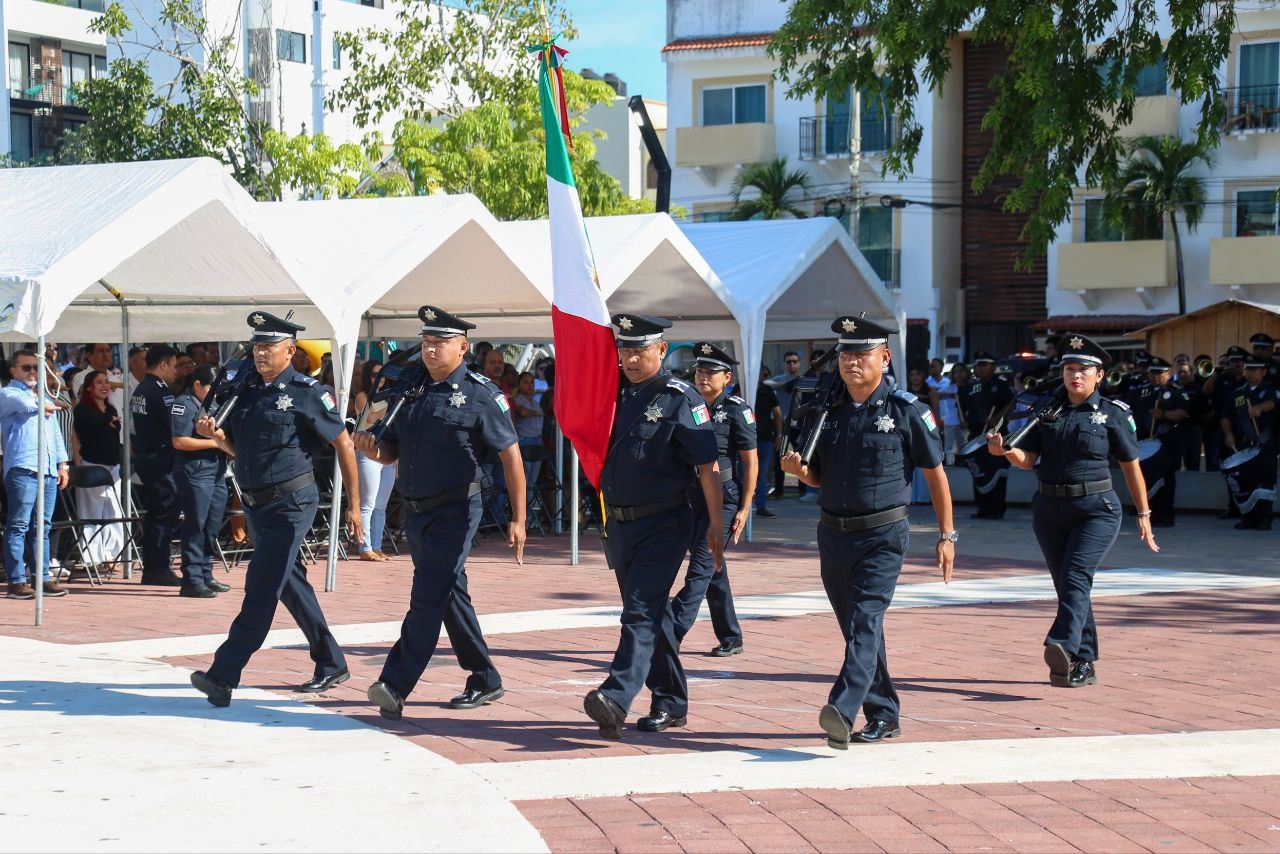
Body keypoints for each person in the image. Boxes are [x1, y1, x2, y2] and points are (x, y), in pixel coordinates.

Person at [780, 315, 954, 749]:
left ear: (884, 357)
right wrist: (801, 473)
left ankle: (842, 707)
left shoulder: (907, 410)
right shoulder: (827, 410)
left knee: (864, 621)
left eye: (861, 354)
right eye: (844, 354)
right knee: (858, 629)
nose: (851, 362)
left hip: (883, 536)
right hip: (833, 534)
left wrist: (947, 535)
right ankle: (885, 714)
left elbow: (935, 474)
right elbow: (819, 476)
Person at [357, 306, 526, 720]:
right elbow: (391, 448)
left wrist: (518, 517)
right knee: (449, 592)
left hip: (456, 509)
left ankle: (395, 684)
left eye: (441, 342)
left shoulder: (481, 393)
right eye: (427, 341)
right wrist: (371, 448)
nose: (431, 350)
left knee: (428, 596)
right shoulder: (411, 388)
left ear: (463, 347)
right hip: (417, 511)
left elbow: (511, 454)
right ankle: (484, 677)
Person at [189, 312, 363, 707]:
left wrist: (353, 506)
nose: (261, 353)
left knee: (261, 587)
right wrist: (217, 438)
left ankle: (223, 674)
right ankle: (331, 662)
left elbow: (345, 444)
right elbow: (240, 451)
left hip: (291, 503)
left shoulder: (307, 392)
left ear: (291, 351)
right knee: (288, 583)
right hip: (256, 503)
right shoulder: (245, 391)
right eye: (257, 346)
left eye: (269, 347)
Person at [987, 333, 1159, 688]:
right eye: (1069, 369)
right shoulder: (1046, 412)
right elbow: (1027, 460)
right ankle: (1084, 662)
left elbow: (1131, 466)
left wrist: (1143, 514)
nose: (1075, 375)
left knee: (1076, 579)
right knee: (1069, 587)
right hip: (1049, 509)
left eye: (1083, 369)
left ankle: (1061, 643)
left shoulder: (1112, 414)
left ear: (1100, 376)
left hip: (1096, 509)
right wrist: (1004, 450)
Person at [582, 314, 723, 740]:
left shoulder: (681, 398)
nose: (629, 358)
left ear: (661, 350)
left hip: (664, 522)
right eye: (624, 349)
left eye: (639, 349)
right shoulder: (611, 395)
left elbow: (707, 466)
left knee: (639, 611)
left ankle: (616, 695)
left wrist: (716, 523)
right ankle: (671, 701)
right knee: (654, 615)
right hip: (620, 524)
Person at [668, 342, 756, 660]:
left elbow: (751, 460)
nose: (702, 377)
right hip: (693, 498)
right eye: (699, 371)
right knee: (713, 570)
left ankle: (670, 632)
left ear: (727, 377)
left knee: (700, 568)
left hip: (724, 499)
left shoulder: (736, 409)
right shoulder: (687, 405)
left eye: (710, 372)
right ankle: (731, 636)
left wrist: (746, 507)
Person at [1, 350, 71, 599]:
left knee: (42, 526)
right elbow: (25, 404)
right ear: (13, 370)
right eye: (27, 367)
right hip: (24, 467)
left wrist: (64, 464)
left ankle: (41, 577)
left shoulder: (43, 396)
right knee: (19, 524)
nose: (32, 372)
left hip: (49, 468)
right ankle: (16, 580)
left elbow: (56, 434)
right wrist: (48, 402)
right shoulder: (9, 393)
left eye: (36, 368)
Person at [170, 365, 232, 598]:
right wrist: (215, 443)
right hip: (195, 472)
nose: (214, 393)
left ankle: (206, 572)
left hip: (215, 471)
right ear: (196, 384)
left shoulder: (213, 405)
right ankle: (192, 578)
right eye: (210, 388)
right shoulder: (184, 404)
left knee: (212, 525)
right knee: (196, 524)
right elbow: (179, 441)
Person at [130, 345, 183, 586]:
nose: (175, 371)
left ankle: (154, 565)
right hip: (159, 458)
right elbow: (175, 423)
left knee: (156, 513)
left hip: (147, 456)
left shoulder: (142, 388)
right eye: (173, 365)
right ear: (163, 365)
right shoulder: (160, 391)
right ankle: (158, 567)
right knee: (165, 511)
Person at [71, 370, 127, 571]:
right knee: (92, 514)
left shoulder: (110, 407)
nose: (104, 386)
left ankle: (112, 556)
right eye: (99, 383)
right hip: (92, 465)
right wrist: (106, 421)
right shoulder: (83, 409)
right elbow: (88, 426)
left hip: (113, 466)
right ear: (89, 387)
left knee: (113, 511)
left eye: (106, 382)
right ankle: (92, 558)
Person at [1221, 356, 1276, 531]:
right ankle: (1248, 518)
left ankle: (1264, 519)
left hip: (1265, 444)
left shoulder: (1270, 390)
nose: (1249, 373)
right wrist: (1228, 435)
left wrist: (1261, 408)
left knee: (1264, 481)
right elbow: (1225, 417)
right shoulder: (1238, 393)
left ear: (1263, 372)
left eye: (1253, 370)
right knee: (1246, 481)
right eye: (1247, 369)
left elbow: (1274, 402)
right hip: (1244, 444)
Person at [958, 350, 1013, 518]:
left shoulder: (1002, 386)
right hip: (976, 435)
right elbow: (963, 406)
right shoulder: (970, 387)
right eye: (978, 365)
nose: (980, 369)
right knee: (980, 472)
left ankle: (997, 509)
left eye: (984, 365)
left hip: (997, 435)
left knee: (996, 472)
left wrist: (998, 417)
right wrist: (965, 420)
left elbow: (1011, 405)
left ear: (993, 366)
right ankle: (983, 508)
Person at [352, 359, 394, 561]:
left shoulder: (389, 397)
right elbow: (371, 419)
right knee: (367, 504)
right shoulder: (362, 396)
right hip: (367, 450)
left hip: (386, 452)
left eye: (382, 374)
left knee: (380, 506)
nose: (379, 379)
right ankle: (364, 547)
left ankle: (376, 546)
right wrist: (394, 406)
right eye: (374, 374)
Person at [1147, 357, 1188, 527]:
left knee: (1166, 481)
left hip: (1167, 443)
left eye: (1160, 373)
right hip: (1145, 443)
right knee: (1147, 479)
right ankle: (1149, 514)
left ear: (1168, 373)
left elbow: (1184, 412)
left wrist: (1163, 415)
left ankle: (1165, 516)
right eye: (1153, 373)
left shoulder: (1176, 391)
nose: (1156, 376)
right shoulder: (1142, 390)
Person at [769, 350, 803, 497]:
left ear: (799, 363)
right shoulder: (778, 379)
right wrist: (784, 384)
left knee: (802, 457)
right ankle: (778, 490)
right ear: (784, 364)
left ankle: (803, 490)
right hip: (782, 423)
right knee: (779, 457)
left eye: (794, 361)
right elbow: (766, 384)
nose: (791, 364)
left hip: (800, 423)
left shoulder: (804, 379)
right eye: (789, 361)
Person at [753, 371, 782, 518]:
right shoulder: (740, 388)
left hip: (765, 438)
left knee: (762, 474)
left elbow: (778, 413)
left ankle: (761, 505)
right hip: (745, 440)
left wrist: (779, 435)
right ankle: (739, 505)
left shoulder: (767, 390)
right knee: (741, 472)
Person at [511, 370, 544, 490]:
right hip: (524, 441)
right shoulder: (516, 400)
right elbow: (522, 412)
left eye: (531, 383)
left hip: (537, 441)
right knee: (524, 480)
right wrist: (539, 413)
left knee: (532, 482)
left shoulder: (535, 402)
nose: (529, 385)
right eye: (525, 382)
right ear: (519, 384)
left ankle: (528, 506)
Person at [71, 343, 126, 414]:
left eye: (108, 351)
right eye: (101, 351)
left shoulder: (114, 378)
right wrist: (111, 385)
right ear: (89, 356)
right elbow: (83, 390)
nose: (106, 355)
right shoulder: (81, 377)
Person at [927, 359, 963, 465]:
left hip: (952, 419)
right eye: (930, 366)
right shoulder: (926, 382)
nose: (932, 368)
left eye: (934, 366)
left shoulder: (948, 382)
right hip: (934, 418)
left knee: (956, 445)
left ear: (941, 367)